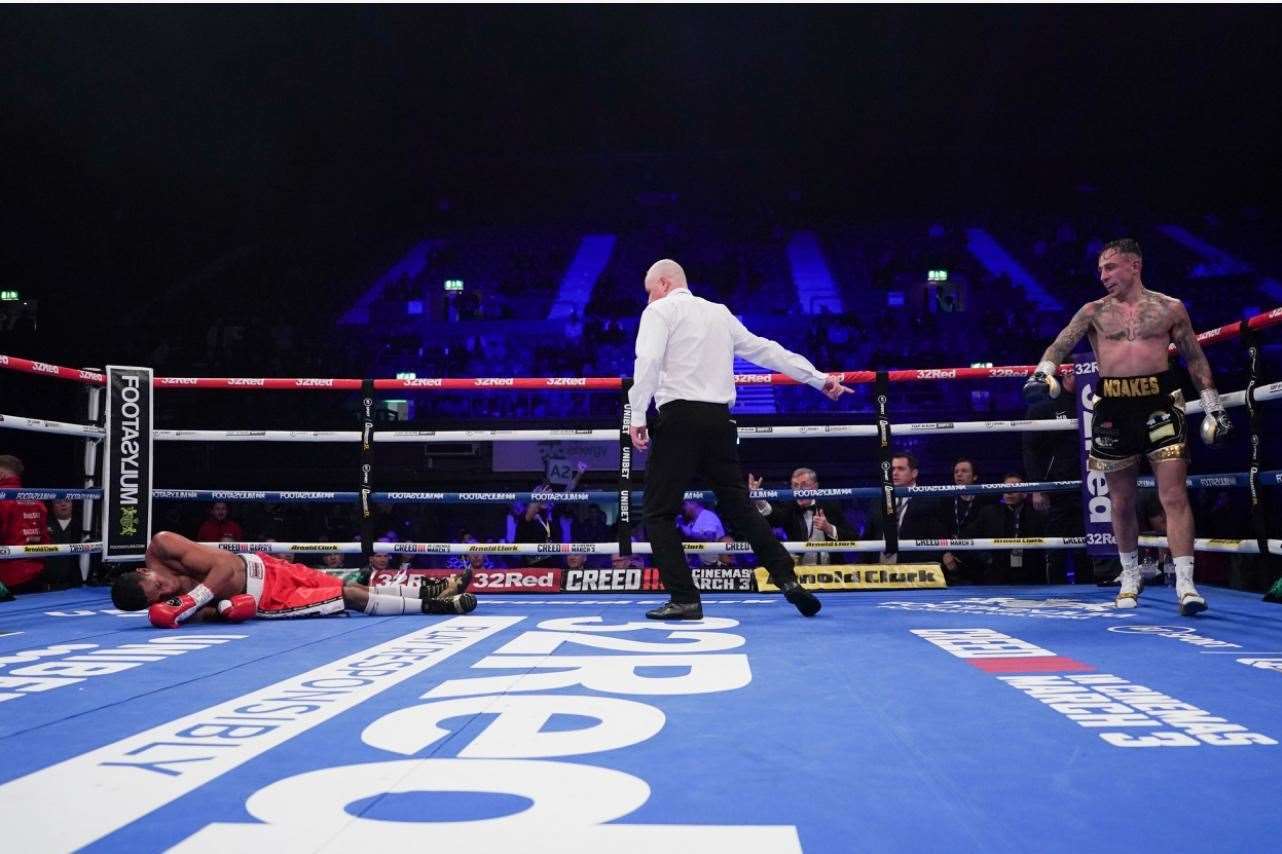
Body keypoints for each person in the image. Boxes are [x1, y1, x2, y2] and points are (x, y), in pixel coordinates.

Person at [628, 259, 851, 619]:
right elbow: (766, 350)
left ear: (664, 283)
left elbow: (648, 360)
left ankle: (685, 598)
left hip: (679, 418)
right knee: (739, 507)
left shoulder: (659, 312)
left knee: (658, 511)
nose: (648, 298)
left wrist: (637, 414)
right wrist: (818, 378)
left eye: (649, 290)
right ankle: (788, 580)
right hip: (719, 422)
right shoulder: (719, 312)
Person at [1024, 238, 1231, 615]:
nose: (1103, 276)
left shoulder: (1170, 308)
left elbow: (1194, 357)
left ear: (1134, 265)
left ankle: (1186, 585)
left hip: (1161, 403)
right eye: (1100, 269)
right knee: (1121, 501)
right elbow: (1059, 345)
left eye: (1110, 267)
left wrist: (1214, 406)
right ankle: (1130, 575)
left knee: (1174, 496)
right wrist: (1043, 372)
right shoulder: (1092, 311)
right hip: (1113, 407)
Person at [110, 531, 476, 626]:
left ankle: (434, 585)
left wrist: (191, 601)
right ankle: (434, 605)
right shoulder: (163, 609)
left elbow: (226, 569)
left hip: (261, 565)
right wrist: (218, 609)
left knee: (341, 586)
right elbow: (216, 607)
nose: (165, 591)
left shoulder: (164, 546)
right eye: (156, 597)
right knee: (346, 594)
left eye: (157, 585)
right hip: (268, 598)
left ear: (146, 571)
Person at [1022, 370, 1101, 584]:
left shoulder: (1092, 401)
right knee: (1055, 550)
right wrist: (1038, 487)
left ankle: (1088, 594)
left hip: (1089, 487)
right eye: (1078, 373)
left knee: (1085, 548)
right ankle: (1055, 596)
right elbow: (1030, 450)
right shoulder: (1044, 406)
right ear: (1065, 375)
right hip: (1055, 489)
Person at [750, 467, 851, 565]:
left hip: (832, 571)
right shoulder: (789, 507)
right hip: (799, 571)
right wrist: (759, 500)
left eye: (804, 485)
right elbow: (774, 517)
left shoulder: (830, 506)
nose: (799, 490)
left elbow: (852, 536)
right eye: (795, 485)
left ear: (815, 487)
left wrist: (829, 528)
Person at [862, 451, 947, 566]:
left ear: (914, 473)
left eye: (901, 469)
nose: (895, 473)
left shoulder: (930, 501)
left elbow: (937, 540)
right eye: (892, 469)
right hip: (878, 570)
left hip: (913, 570)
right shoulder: (877, 500)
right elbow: (868, 537)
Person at [977, 474, 1047, 584]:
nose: (1009, 492)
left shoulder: (1036, 514)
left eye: (1014, 488)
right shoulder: (989, 513)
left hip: (1031, 574)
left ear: (1024, 493)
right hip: (998, 574)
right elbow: (971, 535)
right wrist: (987, 559)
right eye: (1006, 488)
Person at [0, 455, 51, 593]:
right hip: (36, 573)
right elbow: (44, 537)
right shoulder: (36, 499)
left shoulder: (3, 499)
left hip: (7, 577)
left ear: (1, 474)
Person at [938, 458, 991, 584]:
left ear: (975, 476)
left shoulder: (986, 502)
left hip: (978, 559)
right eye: (956, 472)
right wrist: (945, 553)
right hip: (950, 556)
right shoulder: (946, 501)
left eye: (964, 471)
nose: (959, 474)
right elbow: (940, 528)